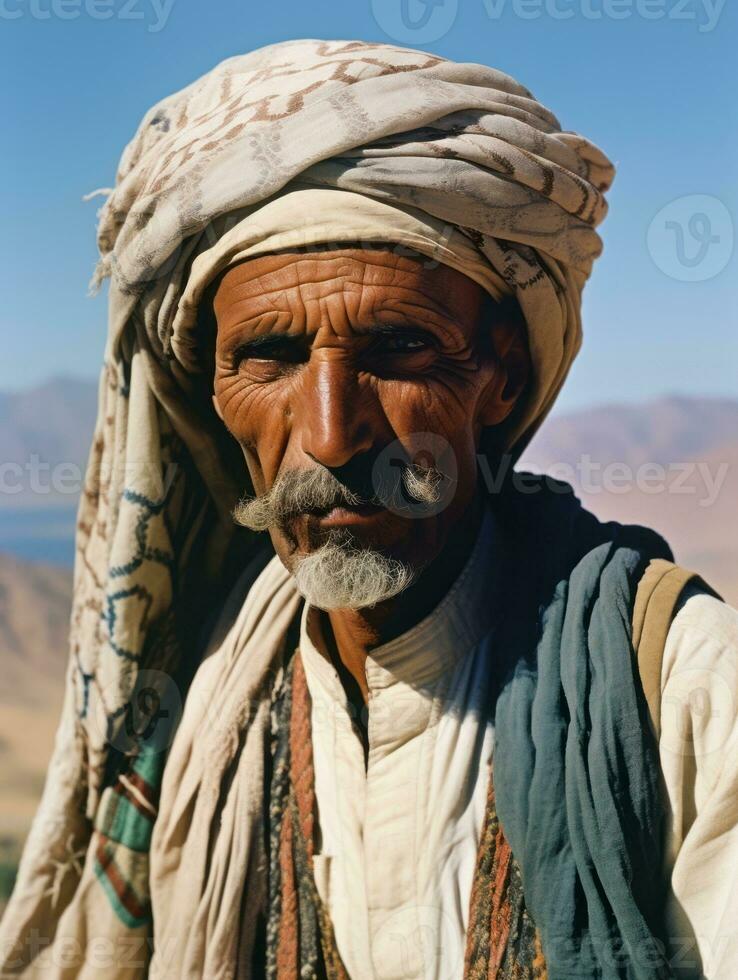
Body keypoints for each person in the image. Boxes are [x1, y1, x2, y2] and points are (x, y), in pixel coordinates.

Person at [2, 38, 736, 980]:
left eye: (397, 349)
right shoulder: (207, 694)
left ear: (500, 376)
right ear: (212, 392)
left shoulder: (683, 689)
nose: (333, 434)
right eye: (268, 356)